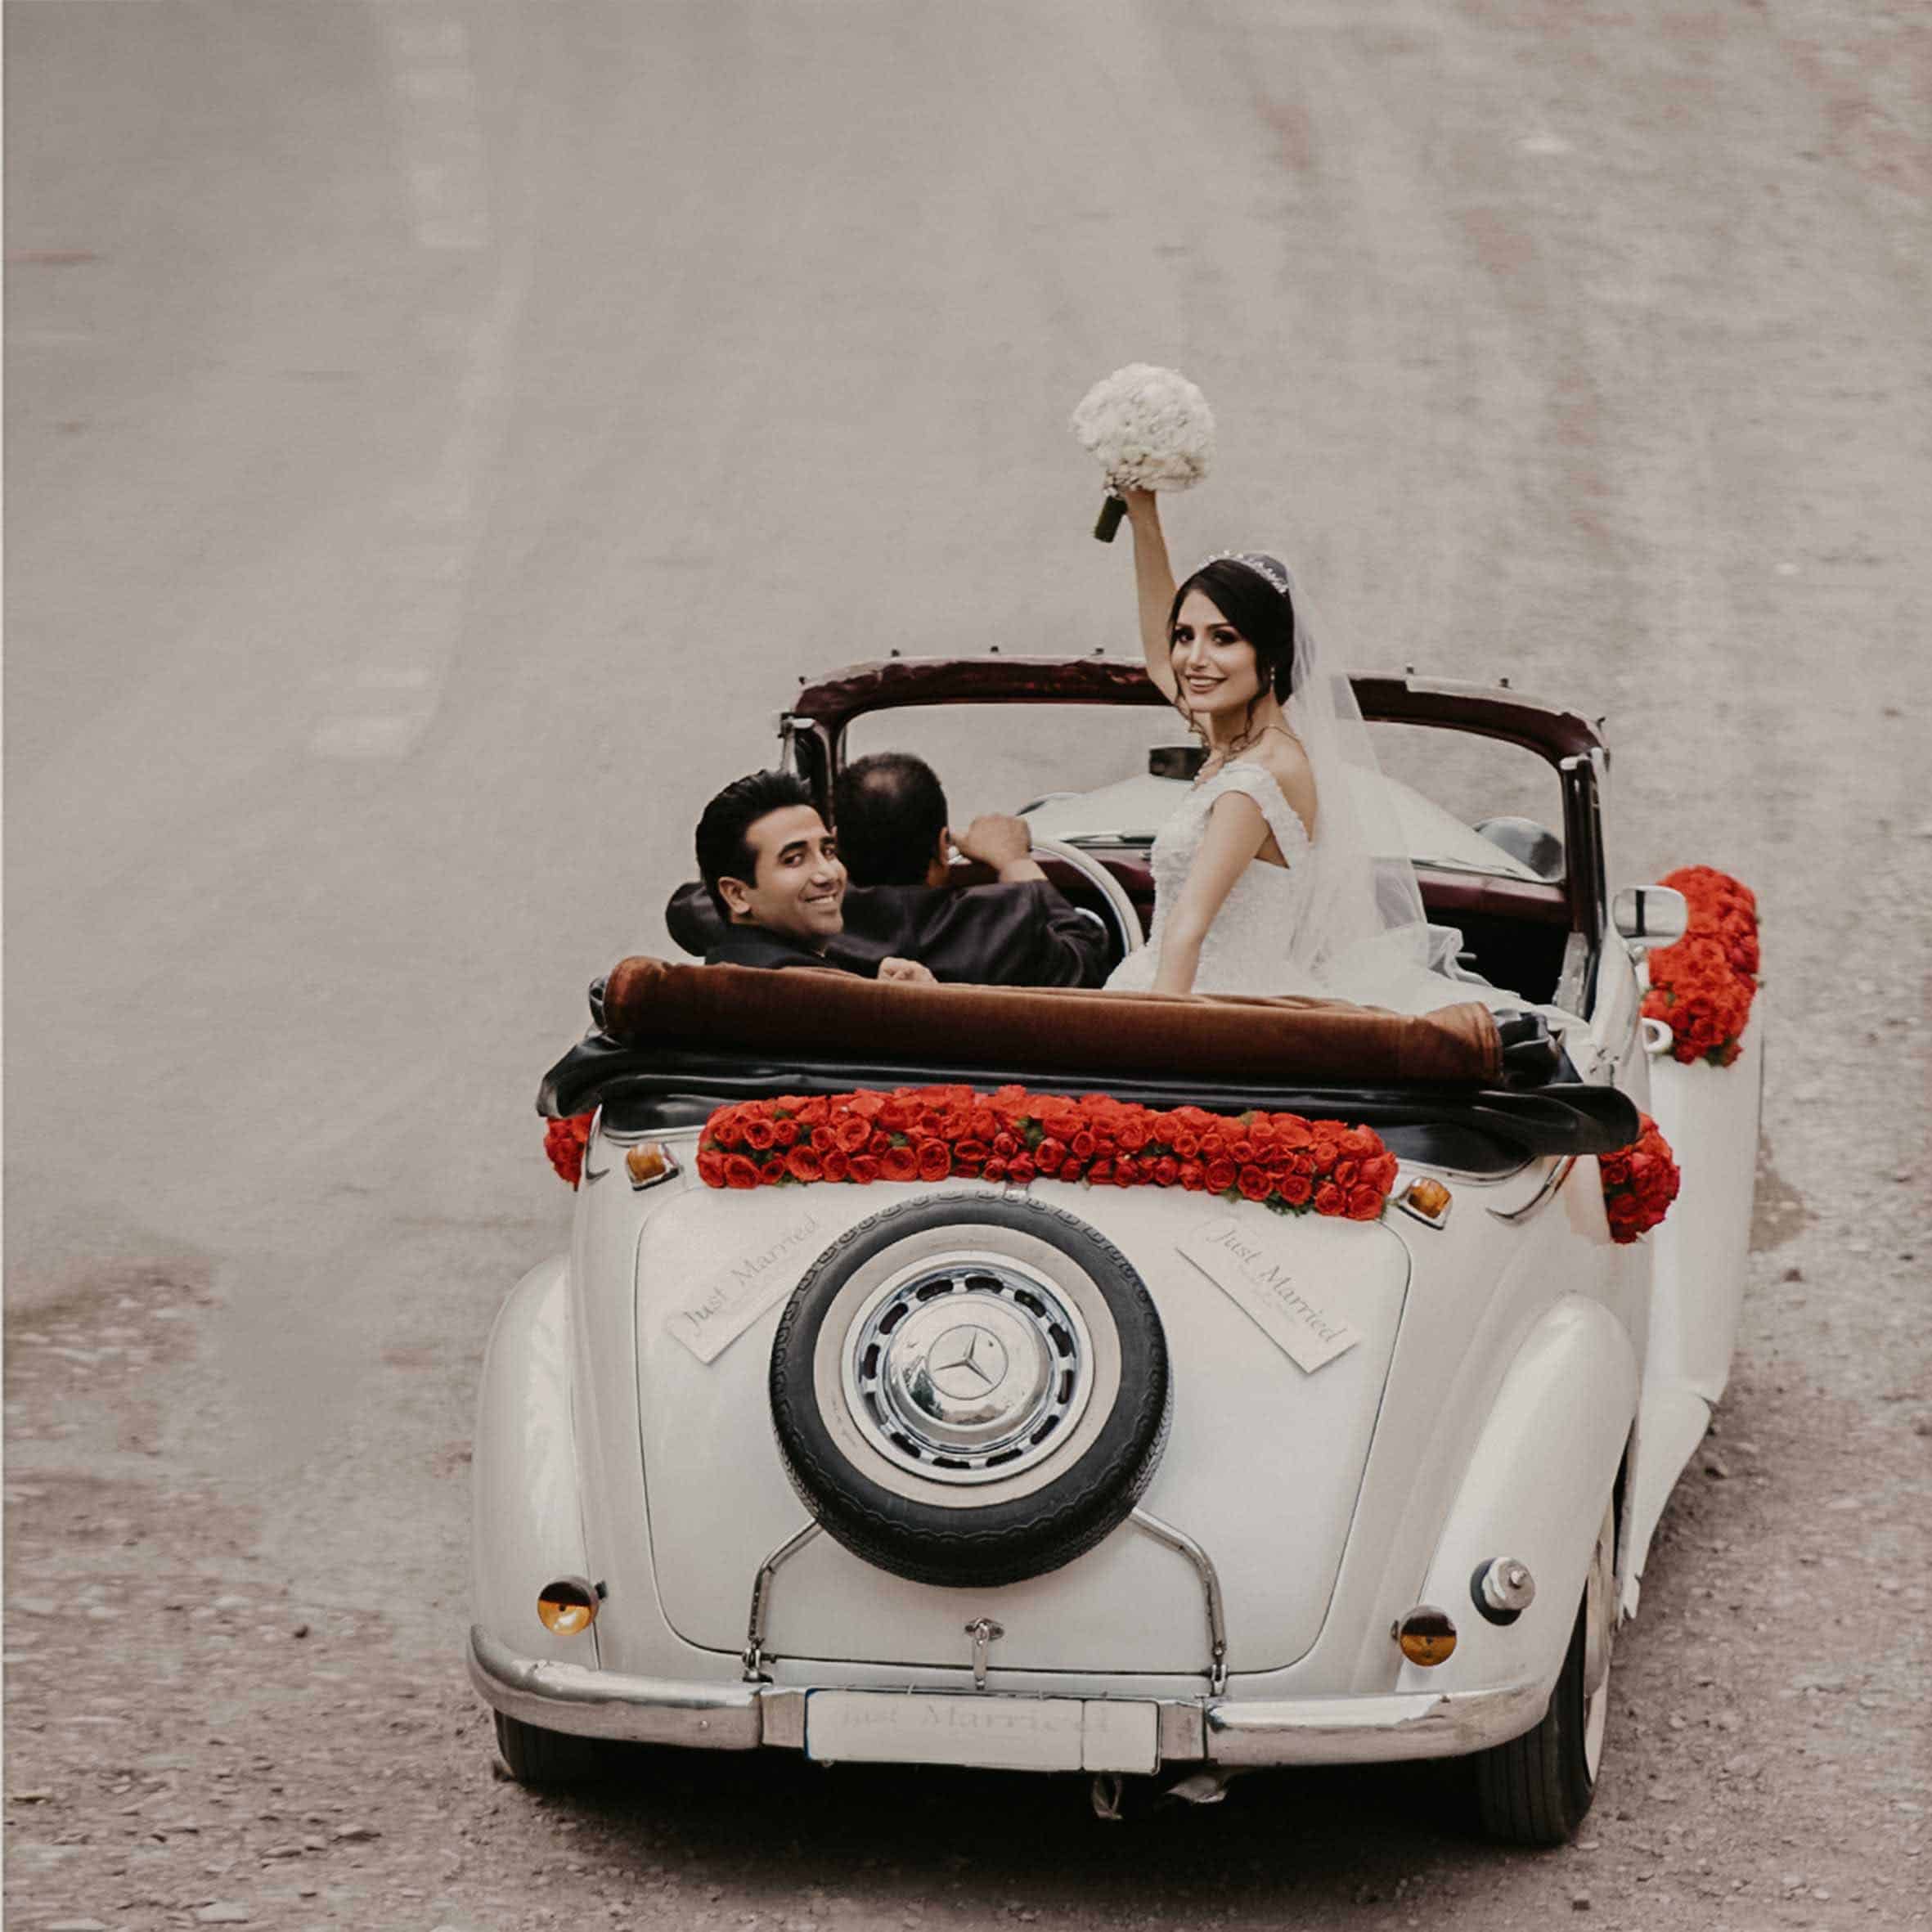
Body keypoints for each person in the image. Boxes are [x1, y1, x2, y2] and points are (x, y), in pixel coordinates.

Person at [1103, 487, 1478, 1010]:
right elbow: (1159, 660)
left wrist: (1154, 1054)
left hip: (1204, 1008)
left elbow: (1188, 928)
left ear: (1272, 655)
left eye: (1224, 638)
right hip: (1185, 984)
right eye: (1186, 635)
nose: (1194, 658)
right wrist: (1144, 515)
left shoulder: (1256, 778)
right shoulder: (1239, 742)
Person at [667, 756, 1112, 987]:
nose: (822, 874)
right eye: (794, 858)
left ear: (839, 846)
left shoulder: (765, 932)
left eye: (824, 851)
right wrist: (1016, 861)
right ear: (943, 847)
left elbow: (690, 907)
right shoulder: (1016, 918)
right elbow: (1087, 955)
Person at [693, 770, 934, 983]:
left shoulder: (729, 968)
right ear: (736, 894)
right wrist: (918, 1008)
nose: (827, 874)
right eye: (794, 859)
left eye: (828, 852)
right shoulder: (807, 990)